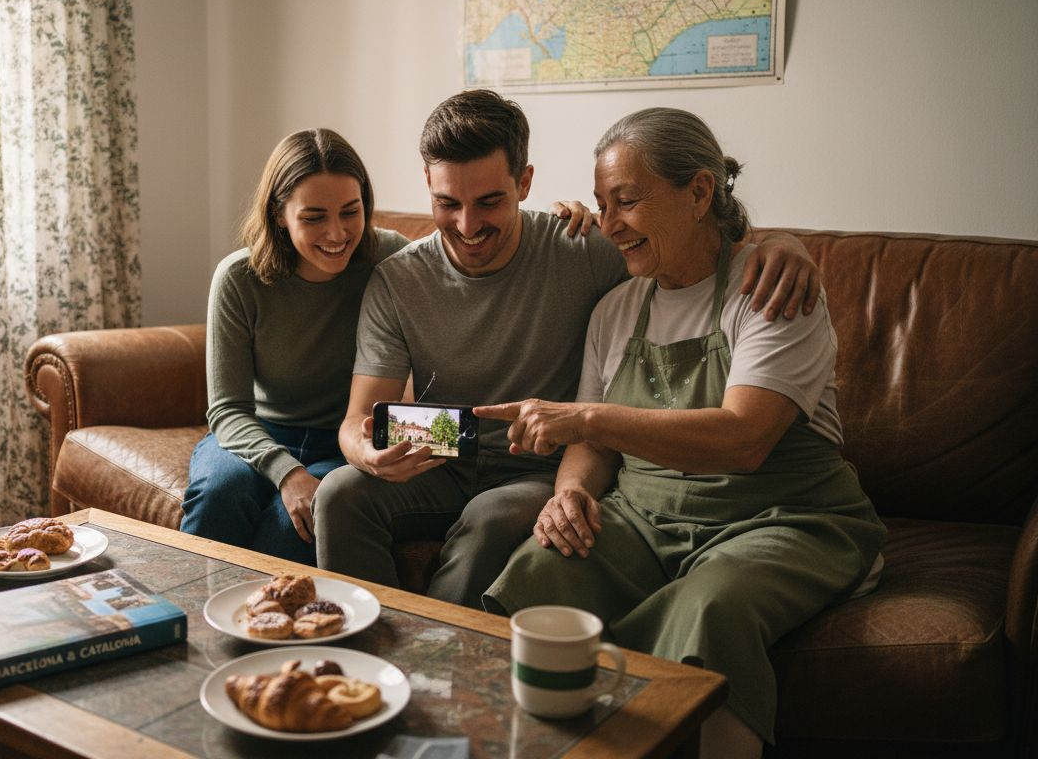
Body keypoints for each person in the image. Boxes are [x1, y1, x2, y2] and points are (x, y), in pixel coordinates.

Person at [477, 108, 885, 757]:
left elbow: (743, 439)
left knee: (712, 608)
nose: (609, 225)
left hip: (779, 518)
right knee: (540, 570)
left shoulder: (770, 290)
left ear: (699, 193)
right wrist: (572, 493)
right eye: (601, 205)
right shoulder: (617, 308)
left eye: (628, 202)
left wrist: (583, 417)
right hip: (646, 516)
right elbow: (592, 446)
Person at [313, 90, 823, 607]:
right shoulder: (398, 280)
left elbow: (698, 246)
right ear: (428, 184)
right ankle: (353, 663)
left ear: (525, 183)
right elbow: (360, 421)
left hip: (539, 466)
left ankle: (442, 665)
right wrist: (370, 455)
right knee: (339, 492)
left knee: (489, 519)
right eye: (448, 204)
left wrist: (784, 245)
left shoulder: (586, 249)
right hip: (447, 452)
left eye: (490, 202)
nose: (468, 226)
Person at [182, 128, 596, 564]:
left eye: (350, 211)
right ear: (280, 214)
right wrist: (287, 473)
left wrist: (557, 219)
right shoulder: (239, 279)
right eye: (314, 217)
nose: (338, 233)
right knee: (219, 494)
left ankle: (275, 623)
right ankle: (186, 616)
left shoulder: (390, 259)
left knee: (298, 525)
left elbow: (471, 257)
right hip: (259, 432)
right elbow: (227, 410)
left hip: (340, 440)